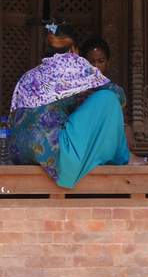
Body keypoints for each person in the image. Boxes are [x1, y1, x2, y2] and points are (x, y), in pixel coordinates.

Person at [9, 22, 129, 188]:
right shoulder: (75, 65)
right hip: (55, 157)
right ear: (73, 49)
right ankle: (124, 158)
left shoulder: (29, 75)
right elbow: (119, 96)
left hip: (18, 154)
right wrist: (90, 97)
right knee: (107, 98)